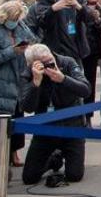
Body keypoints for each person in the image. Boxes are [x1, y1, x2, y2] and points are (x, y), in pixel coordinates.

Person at [0, 0, 39, 167]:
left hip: (19, 78)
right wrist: (12, 51)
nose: (16, 21)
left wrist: (29, 48)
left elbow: (34, 41)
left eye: (18, 18)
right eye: (14, 18)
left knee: (17, 118)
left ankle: (14, 151)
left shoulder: (21, 27)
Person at [20, 44, 90, 185]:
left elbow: (86, 90)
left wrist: (63, 79)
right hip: (45, 130)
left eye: (50, 60)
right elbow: (27, 107)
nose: (50, 65)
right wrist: (36, 83)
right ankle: (53, 160)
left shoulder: (67, 62)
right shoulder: (29, 73)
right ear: (33, 64)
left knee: (74, 175)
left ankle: (65, 155)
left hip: (72, 127)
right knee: (29, 178)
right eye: (45, 64)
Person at [29, 0, 93, 66]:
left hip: (75, 49)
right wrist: (53, 9)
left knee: (77, 80)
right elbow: (41, 22)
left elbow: (91, 20)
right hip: (54, 49)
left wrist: (79, 7)